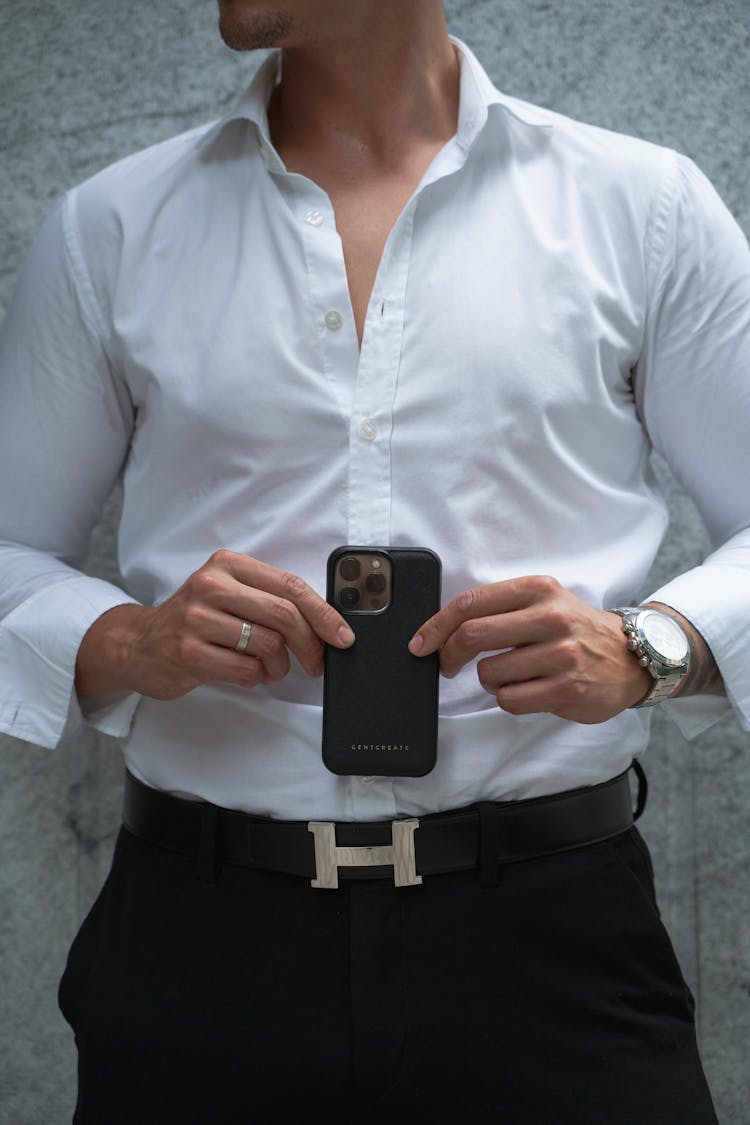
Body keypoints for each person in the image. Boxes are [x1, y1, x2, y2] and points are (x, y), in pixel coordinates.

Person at [0, 1, 747, 1121]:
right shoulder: (110, 226)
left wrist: (654, 646)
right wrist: (125, 640)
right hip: (202, 950)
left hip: (550, 947)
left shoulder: (639, 210)